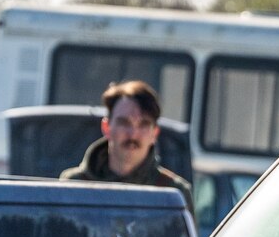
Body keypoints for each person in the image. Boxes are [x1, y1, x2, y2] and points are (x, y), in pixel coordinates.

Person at [61, 79, 191, 202]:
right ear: (106, 127)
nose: (133, 134)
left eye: (143, 124)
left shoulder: (173, 193)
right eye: (124, 122)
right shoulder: (73, 185)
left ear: (154, 133)